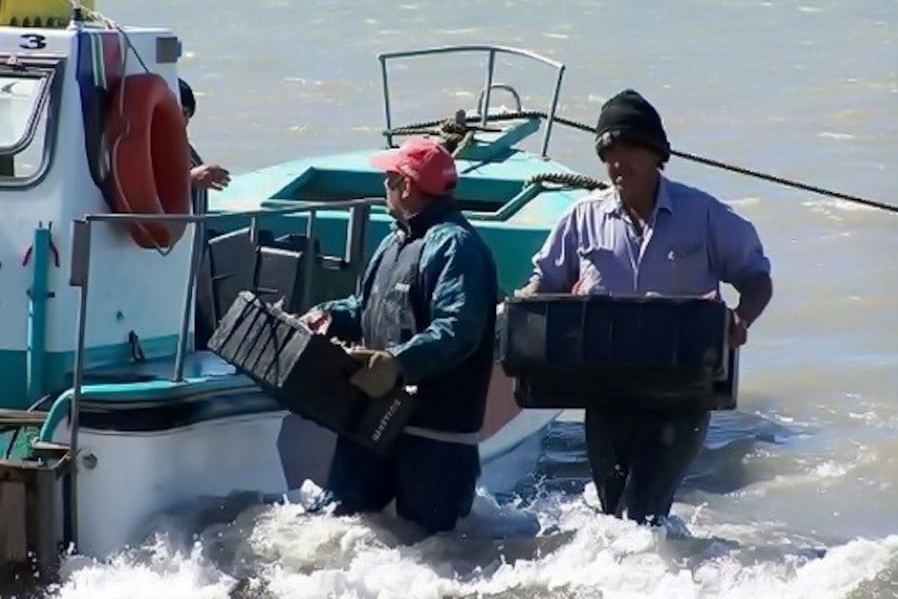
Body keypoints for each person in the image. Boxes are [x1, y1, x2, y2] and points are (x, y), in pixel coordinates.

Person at [517, 89, 774, 526]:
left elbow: (756, 277)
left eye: (628, 149)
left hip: (684, 392)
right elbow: (546, 282)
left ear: (657, 153)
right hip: (605, 392)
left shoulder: (705, 214)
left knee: (642, 512)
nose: (618, 163)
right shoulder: (582, 218)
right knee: (615, 518)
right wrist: (523, 300)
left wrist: (742, 317)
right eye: (608, 154)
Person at [300, 135, 499, 537]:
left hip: (434, 439)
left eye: (389, 178)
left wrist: (398, 363)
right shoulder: (395, 240)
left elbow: (459, 329)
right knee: (334, 531)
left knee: (436, 556)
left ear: (406, 186)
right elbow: (366, 306)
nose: (384, 186)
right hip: (372, 423)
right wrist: (328, 317)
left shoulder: (455, 247)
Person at [178, 78, 231, 214]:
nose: (181, 120)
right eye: (176, 112)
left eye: (185, 114)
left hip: (196, 229)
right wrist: (189, 179)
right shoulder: (143, 148)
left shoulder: (185, 148)